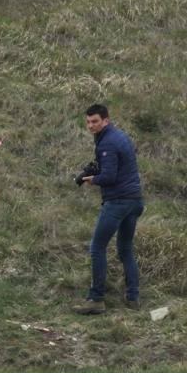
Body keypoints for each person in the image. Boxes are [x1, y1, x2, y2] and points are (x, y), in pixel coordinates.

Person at [73, 103, 145, 315]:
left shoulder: (107, 143)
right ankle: (133, 297)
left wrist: (92, 179)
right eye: (87, 122)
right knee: (125, 250)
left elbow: (109, 177)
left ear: (106, 120)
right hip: (135, 201)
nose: (90, 126)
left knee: (97, 248)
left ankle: (96, 299)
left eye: (95, 121)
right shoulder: (119, 136)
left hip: (118, 202)